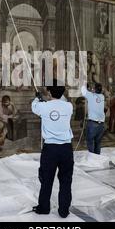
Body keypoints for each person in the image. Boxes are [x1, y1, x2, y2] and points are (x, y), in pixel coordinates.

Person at [31, 80, 74, 218]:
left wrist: (37, 97)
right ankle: (64, 211)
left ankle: (44, 208)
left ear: (48, 92)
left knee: (46, 179)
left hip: (50, 149)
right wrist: (44, 99)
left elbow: (34, 106)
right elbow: (58, 101)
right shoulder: (69, 106)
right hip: (66, 149)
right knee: (66, 180)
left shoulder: (43, 107)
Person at [81, 83, 105, 154]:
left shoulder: (91, 96)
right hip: (101, 124)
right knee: (98, 142)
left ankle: (92, 159)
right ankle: (97, 158)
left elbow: (83, 90)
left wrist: (83, 81)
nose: (91, 89)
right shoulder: (102, 96)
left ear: (94, 89)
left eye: (92, 88)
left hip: (93, 124)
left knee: (90, 142)